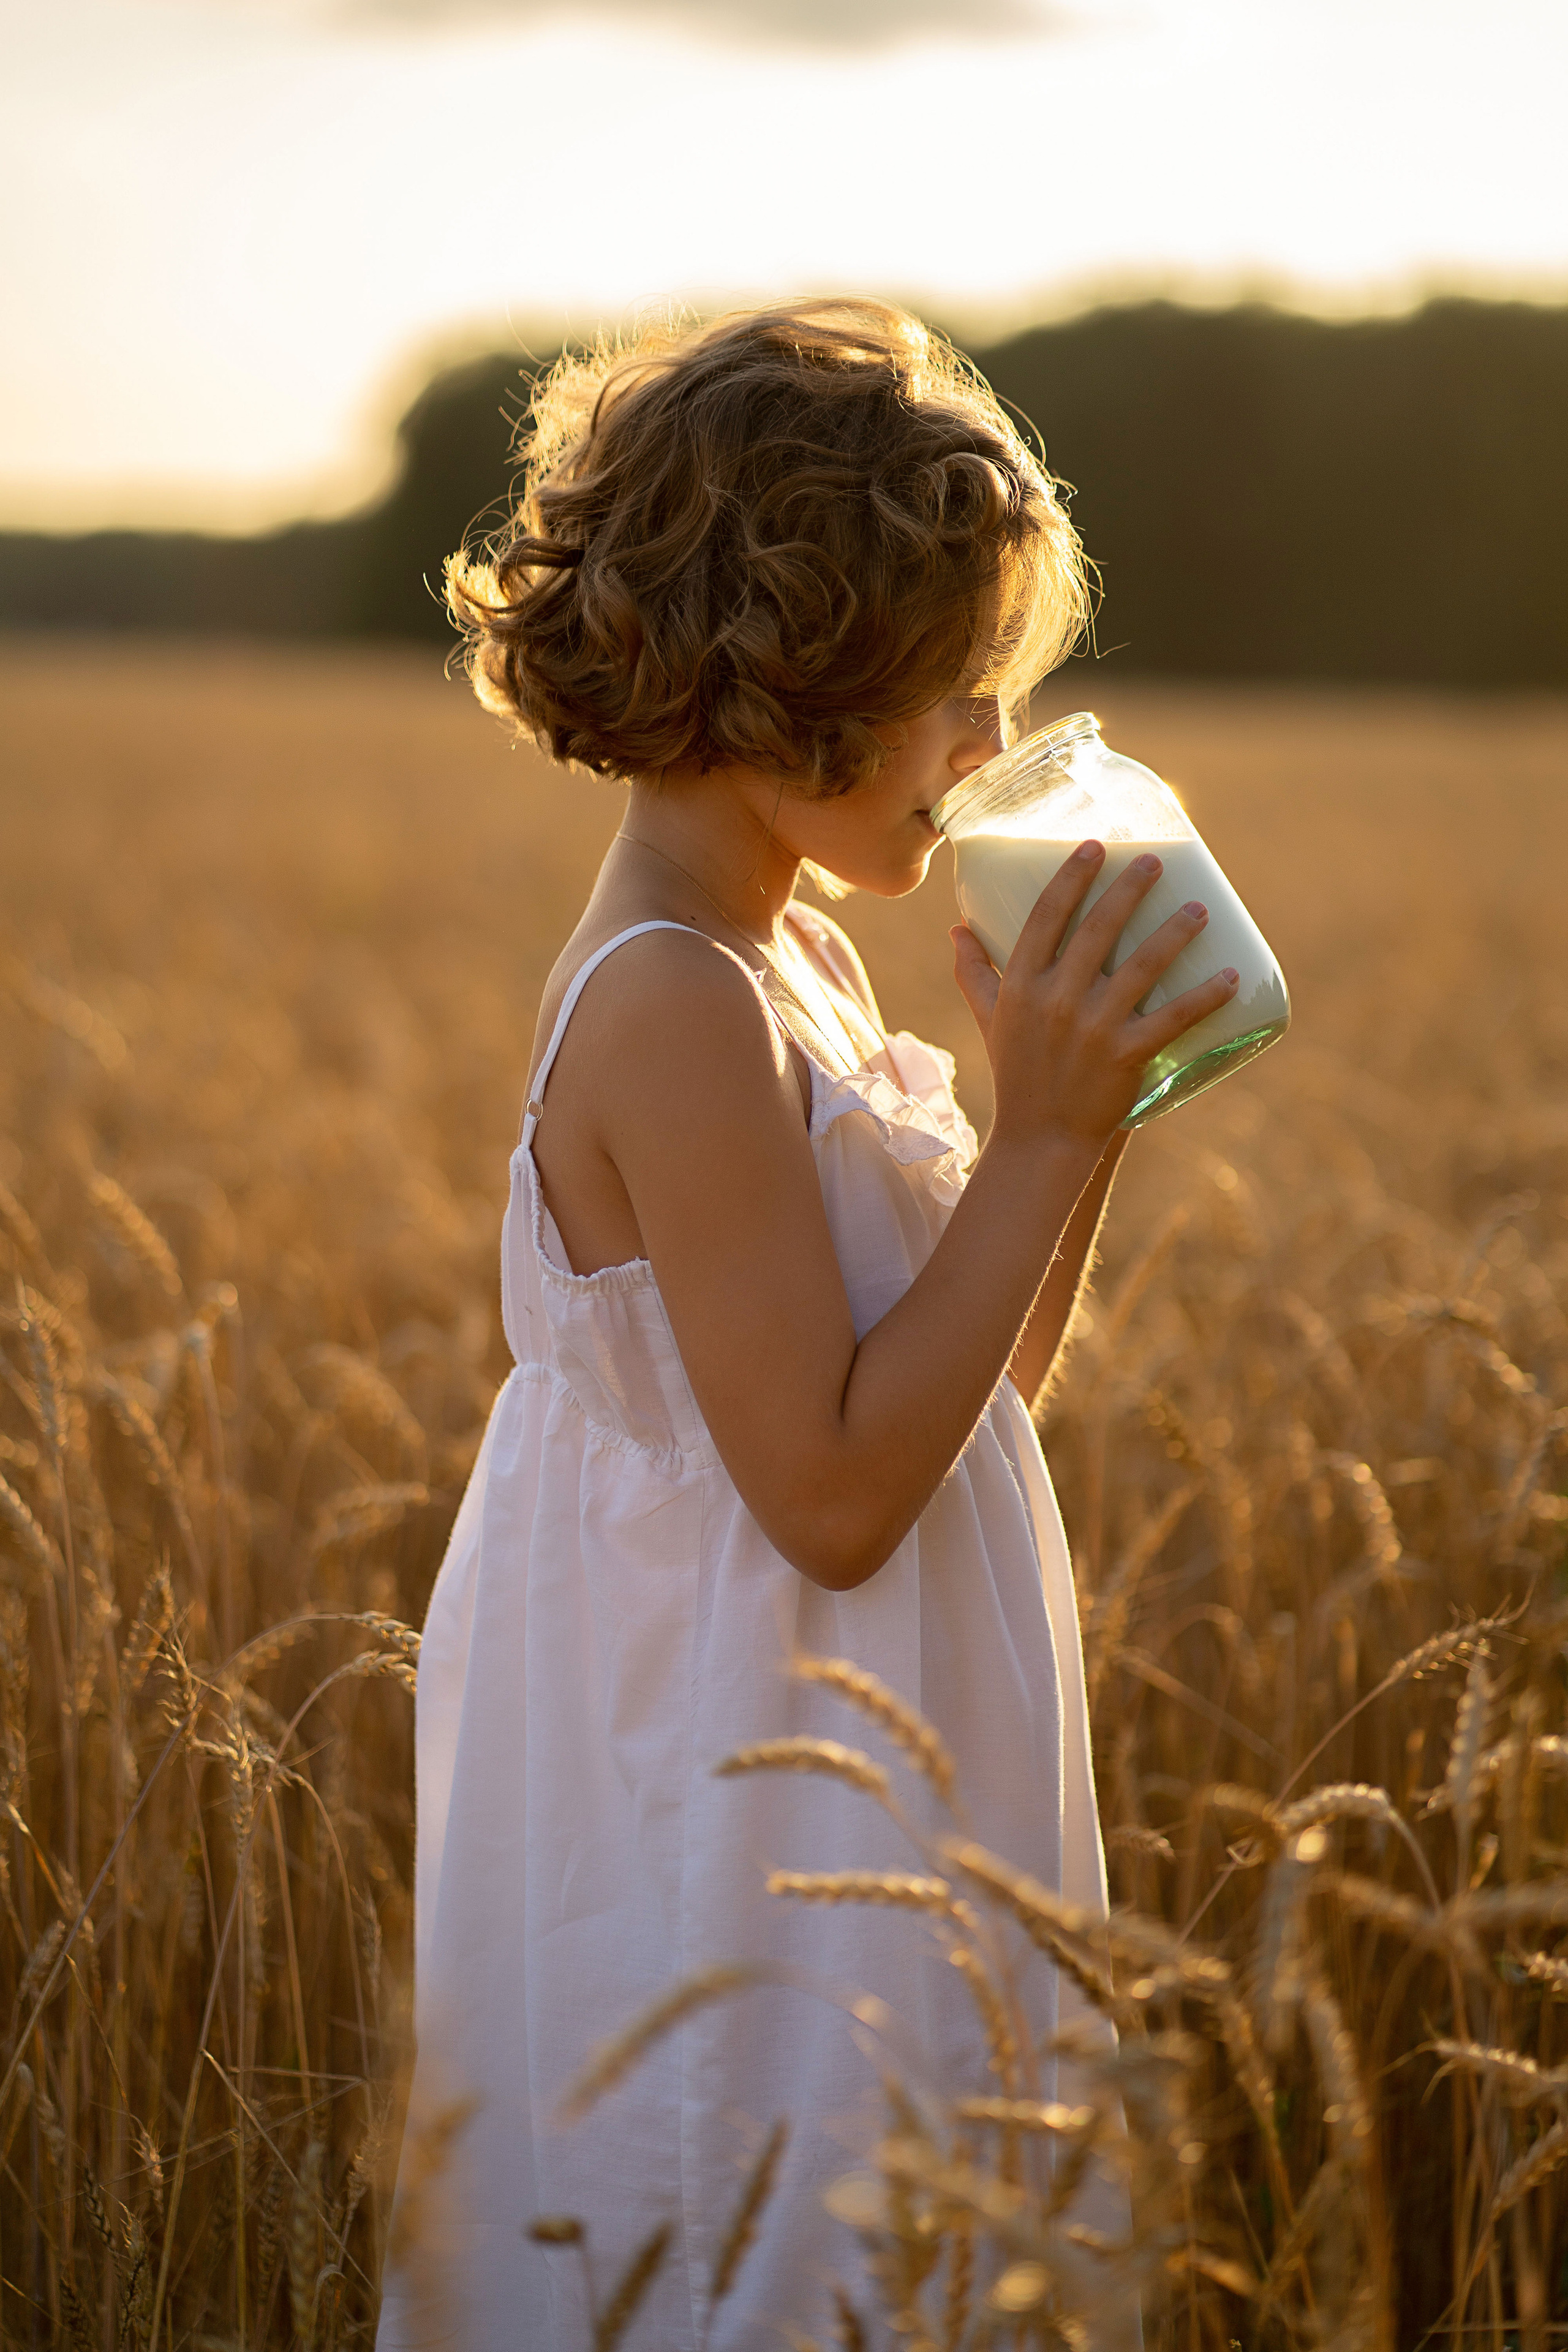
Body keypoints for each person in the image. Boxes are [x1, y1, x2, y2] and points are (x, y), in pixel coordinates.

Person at [376, 300, 1238, 2350]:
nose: (983, 750)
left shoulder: (801, 963)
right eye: (956, 697)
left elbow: (970, 1408)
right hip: (730, 1790)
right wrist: (1024, 1137)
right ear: (780, 682)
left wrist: (1084, 1119)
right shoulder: (675, 999)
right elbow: (837, 1504)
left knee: (897, 2238)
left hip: (860, 1739)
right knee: (741, 2232)